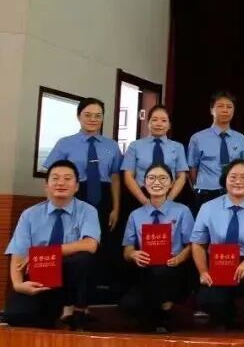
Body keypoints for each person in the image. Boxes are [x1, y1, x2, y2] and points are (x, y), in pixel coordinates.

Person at [3, 161, 100, 330]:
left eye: (67, 178)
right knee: (16, 315)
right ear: (46, 186)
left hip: (70, 282)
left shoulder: (88, 211)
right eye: (55, 178)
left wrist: (50, 252)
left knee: (84, 258)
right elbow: (18, 253)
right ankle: (51, 316)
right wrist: (18, 285)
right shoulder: (29, 215)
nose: (61, 183)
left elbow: (90, 244)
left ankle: (76, 310)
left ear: (77, 186)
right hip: (40, 279)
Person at [42, 97, 122, 293]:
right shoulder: (65, 143)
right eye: (88, 115)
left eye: (98, 116)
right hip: (74, 194)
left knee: (102, 243)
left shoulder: (111, 146)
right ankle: (66, 293)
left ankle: (93, 294)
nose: (93, 119)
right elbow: (53, 174)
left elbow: (115, 178)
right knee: (74, 242)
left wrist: (116, 207)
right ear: (79, 116)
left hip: (103, 196)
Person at [191, 159, 244, 334]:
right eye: (233, 177)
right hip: (219, 262)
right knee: (208, 298)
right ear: (224, 180)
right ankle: (225, 316)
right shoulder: (208, 208)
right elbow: (198, 244)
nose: (238, 181)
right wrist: (203, 271)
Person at [119, 164, 195, 333]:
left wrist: (179, 258)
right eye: (151, 178)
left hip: (173, 269)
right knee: (128, 305)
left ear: (171, 184)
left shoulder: (182, 211)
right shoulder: (135, 215)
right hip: (146, 270)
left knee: (161, 275)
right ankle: (160, 311)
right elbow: (127, 251)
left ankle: (163, 312)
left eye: (163, 178)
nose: (157, 182)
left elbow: (192, 246)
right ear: (144, 183)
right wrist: (134, 254)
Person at [187, 91, 244, 211]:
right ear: (211, 110)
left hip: (234, 193)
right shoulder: (198, 138)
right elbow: (192, 169)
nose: (225, 110)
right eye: (220, 106)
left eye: (229, 107)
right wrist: (198, 187)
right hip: (206, 194)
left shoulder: (241, 139)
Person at [121, 105, 188, 206]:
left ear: (169, 125)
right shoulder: (135, 146)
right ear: (148, 123)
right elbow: (128, 176)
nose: (159, 124)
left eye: (164, 120)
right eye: (154, 120)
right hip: (140, 196)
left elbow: (181, 177)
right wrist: (144, 201)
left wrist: (169, 200)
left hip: (169, 195)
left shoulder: (178, 147)